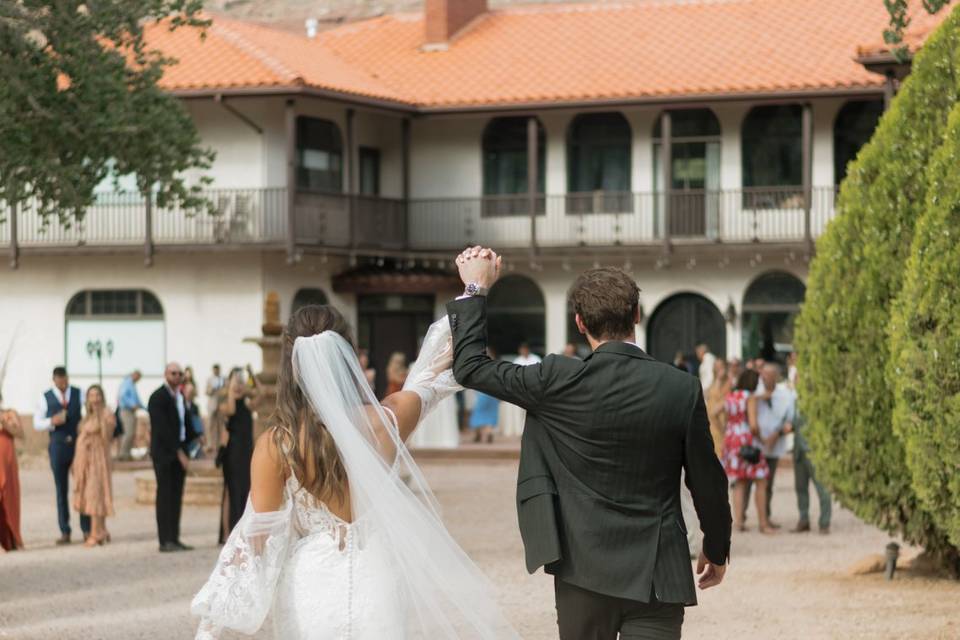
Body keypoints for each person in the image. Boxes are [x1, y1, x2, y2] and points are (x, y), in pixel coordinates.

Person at [448, 249, 731, 640]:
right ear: (636, 315)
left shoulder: (555, 380)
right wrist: (716, 549)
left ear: (579, 323)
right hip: (657, 573)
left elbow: (470, 367)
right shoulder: (681, 387)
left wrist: (475, 288)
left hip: (582, 568)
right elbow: (707, 482)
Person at [192, 305, 518, 639]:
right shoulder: (386, 420)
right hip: (377, 582)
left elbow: (257, 541)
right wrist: (474, 288)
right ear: (347, 355)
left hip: (310, 592)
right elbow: (431, 374)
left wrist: (213, 625)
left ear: (292, 364)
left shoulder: (276, 444)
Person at [34, 366, 89, 545]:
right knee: (61, 490)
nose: (63, 383)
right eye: (59, 380)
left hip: (77, 446)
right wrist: (52, 421)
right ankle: (65, 530)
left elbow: (88, 411)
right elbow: (37, 423)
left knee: (82, 486)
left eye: (65, 379)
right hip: (58, 447)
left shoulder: (78, 393)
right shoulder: (45, 397)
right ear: (54, 380)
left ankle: (87, 528)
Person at [723, 369, 774, 534]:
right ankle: (763, 523)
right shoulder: (750, 398)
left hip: (732, 441)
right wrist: (762, 438)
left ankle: (738, 522)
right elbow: (753, 424)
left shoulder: (731, 396)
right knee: (761, 480)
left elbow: (715, 411)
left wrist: (726, 428)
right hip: (747, 442)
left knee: (739, 482)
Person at [148, 362, 192, 553]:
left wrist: (195, 438)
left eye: (179, 373)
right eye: (173, 373)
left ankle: (174, 537)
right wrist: (178, 451)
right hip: (165, 454)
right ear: (166, 374)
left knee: (176, 496)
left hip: (179, 451)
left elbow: (184, 423)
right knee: (165, 495)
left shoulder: (180, 396)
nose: (177, 376)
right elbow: (162, 429)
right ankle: (164, 540)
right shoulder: (157, 397)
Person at [217, 365, 260, 543]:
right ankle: (227, 534)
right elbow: (231, 410)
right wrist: (231, 388)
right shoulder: (225, 402)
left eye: (241, 382)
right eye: (236, 381)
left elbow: (262, 394)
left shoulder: (247, 403)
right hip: (232, 453)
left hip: (246, 451)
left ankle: (242, 530)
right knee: (231, 491)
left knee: (244, 490)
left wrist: (252, 375)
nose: (239, 385)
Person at [72, 385, 116, 547]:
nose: (94, 398)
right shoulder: (86, 417)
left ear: (102, 397)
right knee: (90, 493)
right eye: (91, 395)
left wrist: (100, 419)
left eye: (97, 395)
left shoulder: (107, 415)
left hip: (98, 459)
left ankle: (95, 532)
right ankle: (102, 530)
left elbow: (106, 438)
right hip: (85, 461)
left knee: (95, 494)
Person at [791, 372, 831, 534]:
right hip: (798, 451)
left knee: (822, 487)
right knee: (800, 487)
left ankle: (824, 522)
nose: (795, 382)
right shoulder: (795, 401)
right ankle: (803, 519)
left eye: (798, 380)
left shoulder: (818, 401)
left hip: (813, 451)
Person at [755, 363, 795, 526]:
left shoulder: (786, 395)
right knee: (747, 483)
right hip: (756, 445)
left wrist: (777, 434)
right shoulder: (755, 392)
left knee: (768, 483)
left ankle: (766, 517)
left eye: (770, 375)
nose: (766, 378)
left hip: (774, 446)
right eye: (764, 374)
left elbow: (789, 420)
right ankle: (741, 516)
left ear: (777, 377)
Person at [0, 397, 24, 551]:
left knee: (9, 497)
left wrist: (4, 423)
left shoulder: (9, 414)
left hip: (6, 462)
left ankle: (11, 538)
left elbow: (21, 434)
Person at [468, 351, 500, 444]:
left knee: (478, 413)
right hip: (493, 393)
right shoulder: (496, 367)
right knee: (490, 414)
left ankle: (478, 434)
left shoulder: (479, 367)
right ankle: (489, 432)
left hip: (482, 393)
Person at [705, 358, 730, 459]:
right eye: (717, 366)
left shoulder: (728, 382)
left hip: (721, 418)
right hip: (711, 419)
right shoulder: (713, 381)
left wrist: (719, 380)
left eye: (721, 366)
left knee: (721, 447)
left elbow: (723, 395)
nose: (719, 369)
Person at [116, 370, 143, 461]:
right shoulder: (127, 383)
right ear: (135, 375)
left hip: (131, 411)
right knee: (129, 432)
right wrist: (132, 405)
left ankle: (127, 454)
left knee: (131, 433)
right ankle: (123, 454)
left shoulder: (132, 385)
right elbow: (123, 396)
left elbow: (137, 400)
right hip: (126, 410)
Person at [183, 382, 205, 459]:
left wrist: (201, 434)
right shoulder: (179, 404)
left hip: (192, 434)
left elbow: (197, 421)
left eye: (191, 392)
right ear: (184, 392)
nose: (189, 394)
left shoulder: (195, 407)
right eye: (188, 392)